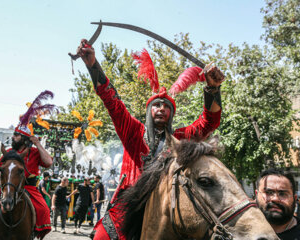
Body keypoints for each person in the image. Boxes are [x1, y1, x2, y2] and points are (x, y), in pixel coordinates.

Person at [77, 39, 224, 239]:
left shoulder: (181, 138)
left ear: (171, 114)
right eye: (157, 105)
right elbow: (112, 102)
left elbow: (209, 122)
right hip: (129, 206)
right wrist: (93, 65)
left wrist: (213, 89)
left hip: (167, 206)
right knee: (102, 236)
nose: (161, 109)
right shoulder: (133, 131)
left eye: (166, 107)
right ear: (149, 110)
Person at [0, 125, 53, 239]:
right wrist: (4, 175)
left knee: (43, 209)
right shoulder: (8, 152)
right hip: (7, 185)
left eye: (16, 135)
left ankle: (34, 232)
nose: (13, 137)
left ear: (24, 138)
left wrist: (38, 144)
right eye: (14, 134)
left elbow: (48, 162)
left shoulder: (34, 151)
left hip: (29, 187)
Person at [255, 168, 300, 239]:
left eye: (282, 194)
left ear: (294, 198)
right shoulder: (240, 233)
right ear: (257, 194)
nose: (275, 199)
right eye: (268, 192)